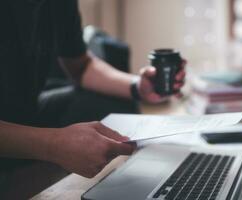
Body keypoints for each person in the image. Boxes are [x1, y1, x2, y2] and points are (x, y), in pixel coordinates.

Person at [0, 0, 186, 198]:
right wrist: (52, 145)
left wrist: (137, 87)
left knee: (117, 104)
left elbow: (81, 66)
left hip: (25, 109)